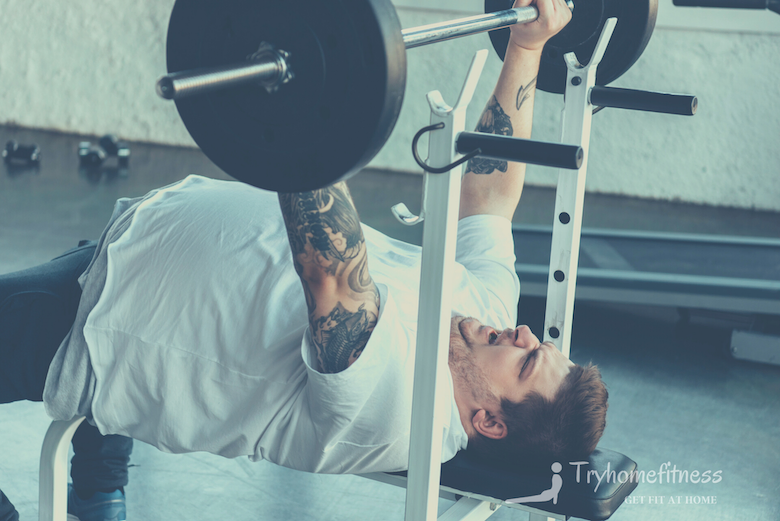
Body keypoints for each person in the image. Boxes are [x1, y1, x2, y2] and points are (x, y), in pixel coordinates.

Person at [0, 1, 607, 519]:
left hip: (96, 319)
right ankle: (100, 497)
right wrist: (527, 46)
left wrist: (310, 108)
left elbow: (331, 276)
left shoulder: (399, 409)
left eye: (527, 360)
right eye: (539, 344)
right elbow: (489, 197)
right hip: (139, 244)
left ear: (489, 422)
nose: (525, 333)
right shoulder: (485, 316)